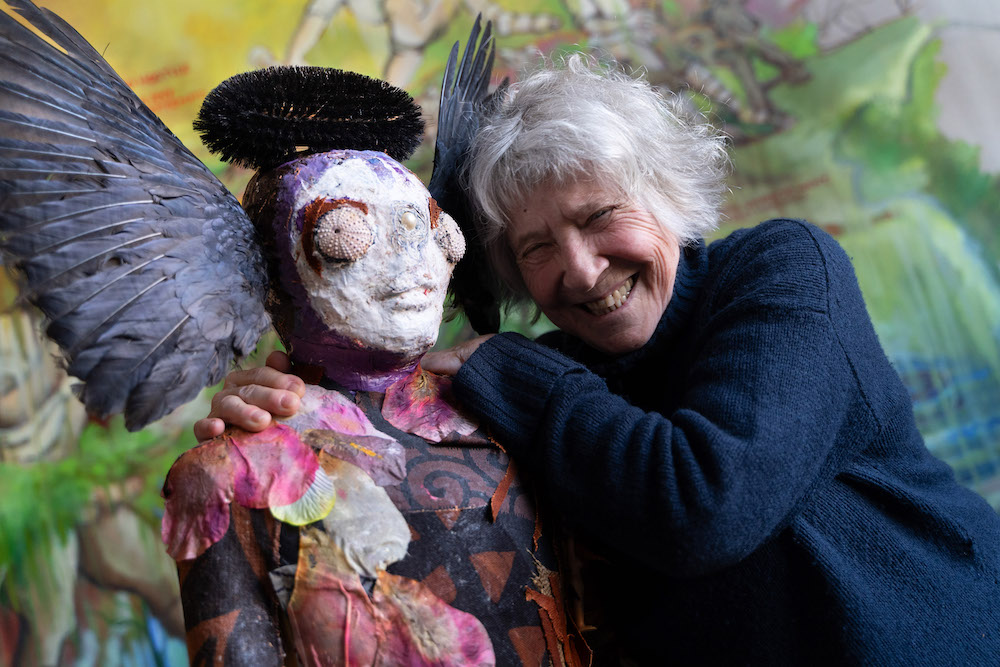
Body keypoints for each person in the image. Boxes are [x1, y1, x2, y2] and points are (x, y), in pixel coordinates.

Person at [195, 54, 1000, 664]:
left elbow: (703, 504)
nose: (580, 271)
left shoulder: (783, 272)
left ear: (669, 196)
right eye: (537, 248)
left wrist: (518, 373)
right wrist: (289, 411)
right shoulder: (545, 380)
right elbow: (402, 436)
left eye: (599, 217)